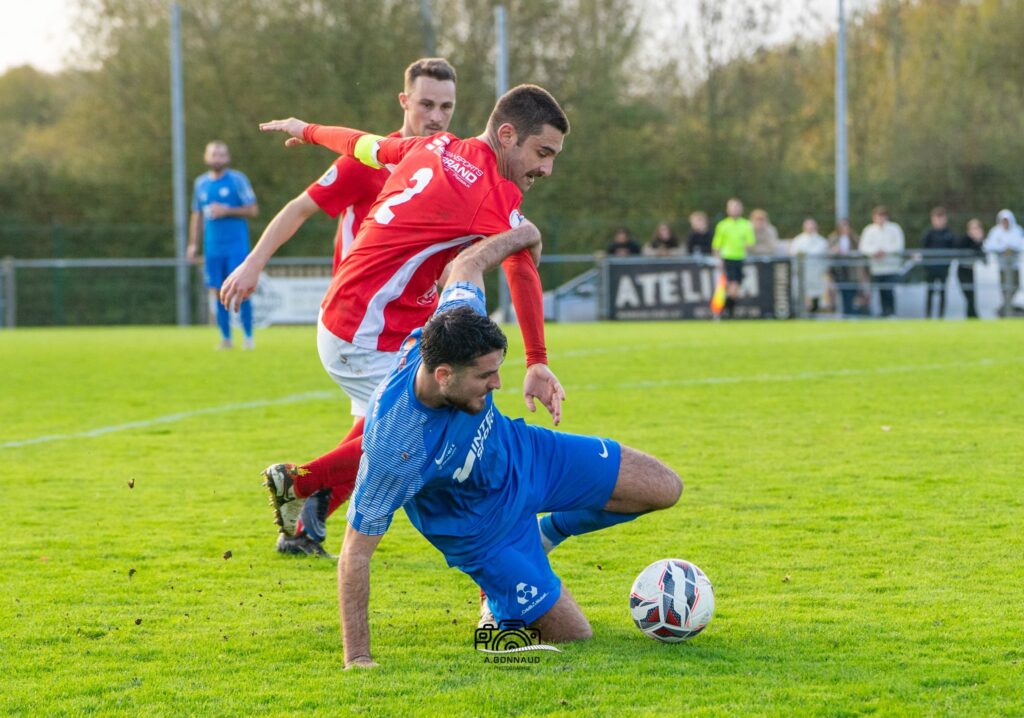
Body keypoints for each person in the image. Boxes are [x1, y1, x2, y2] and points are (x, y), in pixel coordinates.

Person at [326, 227, 682, 669]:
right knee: (576, 635)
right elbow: (356, 552)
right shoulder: (396, 444)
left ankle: (546, 532)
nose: (497, 383)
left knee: (664, 487)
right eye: (486, 376)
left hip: (524, 453)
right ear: (443, 375)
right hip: (482, 529)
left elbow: (466, 265)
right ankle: (499, 595)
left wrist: (524, 232)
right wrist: (357, 657)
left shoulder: (455, 323)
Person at [254, 84, 570, 556]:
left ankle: (308, 513)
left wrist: (309, 129)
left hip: (349, 314)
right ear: (507, 135)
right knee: (423, 426)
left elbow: (365, 145)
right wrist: (538, 358)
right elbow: (520, 266)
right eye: (542, 152)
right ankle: (300, 483)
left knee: (385, 427)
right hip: (369, 329)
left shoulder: (434, 145)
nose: (546, 168)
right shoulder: (490, 192)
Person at [222, 58, 457, 301]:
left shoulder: (450, 170)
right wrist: (253, 264)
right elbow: (299, 209)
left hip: (414, 310)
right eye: (426, 105)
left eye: (446, 106)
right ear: (404, 101)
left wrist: (463, 293)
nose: (436, 117)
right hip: (356, 309)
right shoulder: (366, 161)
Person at [187, 141, 259, 349]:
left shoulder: (237, 180)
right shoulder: (201, 183)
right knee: (217, 292)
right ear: (206, 158)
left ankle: (248, 336)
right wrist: (193, 244)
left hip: (236, 247)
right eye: (213, 154)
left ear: (227, 158)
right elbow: (197, 215)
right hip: (213, 249)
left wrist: (226, 210)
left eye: (221, 155)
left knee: (241, 289)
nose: (217, 158)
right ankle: (226, 338)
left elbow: (253, 210)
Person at [711, 198, 755, 318]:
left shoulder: (746, 224)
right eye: (732, 207)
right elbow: (717, 245)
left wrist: (747, 246)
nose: (735, 209)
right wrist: (718, 259)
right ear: (727, 209)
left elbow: (751, 243)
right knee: (732, 285)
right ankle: (728, 313)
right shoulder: (723, 225)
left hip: (740, 259)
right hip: (727, 258)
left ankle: (726, 311)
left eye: (737, 207)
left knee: (734, 288)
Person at [859, 206, 905, 317]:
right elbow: (863, 247)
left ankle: (891, 312)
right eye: (877, 217)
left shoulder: (894, 228)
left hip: (891, 267)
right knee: (880, 291)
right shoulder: (869, 230)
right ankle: (884, 312)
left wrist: (885, 252)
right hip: (876, 268)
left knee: (889, 290)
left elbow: (899, 246)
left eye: (882, 216)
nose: (880, 219)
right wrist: (874, 252)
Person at [983, 209, 1024, 316]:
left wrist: (1012, 248)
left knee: (1015, 286)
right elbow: (988, 245)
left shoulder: (1017, 230)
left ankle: (1005, 308)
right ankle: (1006, 310)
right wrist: (1003, 248)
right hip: (1002, 265)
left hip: (1014, 264)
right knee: (1005, 288)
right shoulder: (995, 231)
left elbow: (1021, 243)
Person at [921, 207, 956, 319]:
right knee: (930, 292)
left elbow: (953, 249)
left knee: (942, 292)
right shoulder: (929, 234)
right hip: (930, 268)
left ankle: (941, 316)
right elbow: (923, 249)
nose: (939, 221)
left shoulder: (949, 233)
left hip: (943, 268)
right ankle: (928, 316)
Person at [789, 217, 830, 314]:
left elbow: (824, 256)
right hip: (802, 273)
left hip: (816, 272)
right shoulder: (798, 240)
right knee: (801, 292)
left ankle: (816, 311)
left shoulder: (822, 241)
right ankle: (800, 311)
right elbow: (793, 253)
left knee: (817, 292)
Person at [828, 218, 863, 317]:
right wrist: (834, 250)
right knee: (841, 292)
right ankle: (845, 313)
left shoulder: (855, 238)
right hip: (838, 270)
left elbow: (860, 252)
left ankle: (849, 312)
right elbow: (828, 250)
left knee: (851, 292)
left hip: (852, 271)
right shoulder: (833, 238)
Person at [954, 218, 985, 319]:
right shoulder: (964, 240)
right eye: (973, 228)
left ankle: (972, 317)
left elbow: (983, 257)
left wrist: (979, 241)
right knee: (968, 296)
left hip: (971, 271)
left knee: (971, 296)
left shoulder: (978, 242)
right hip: (962, 270)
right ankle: (973, 317)